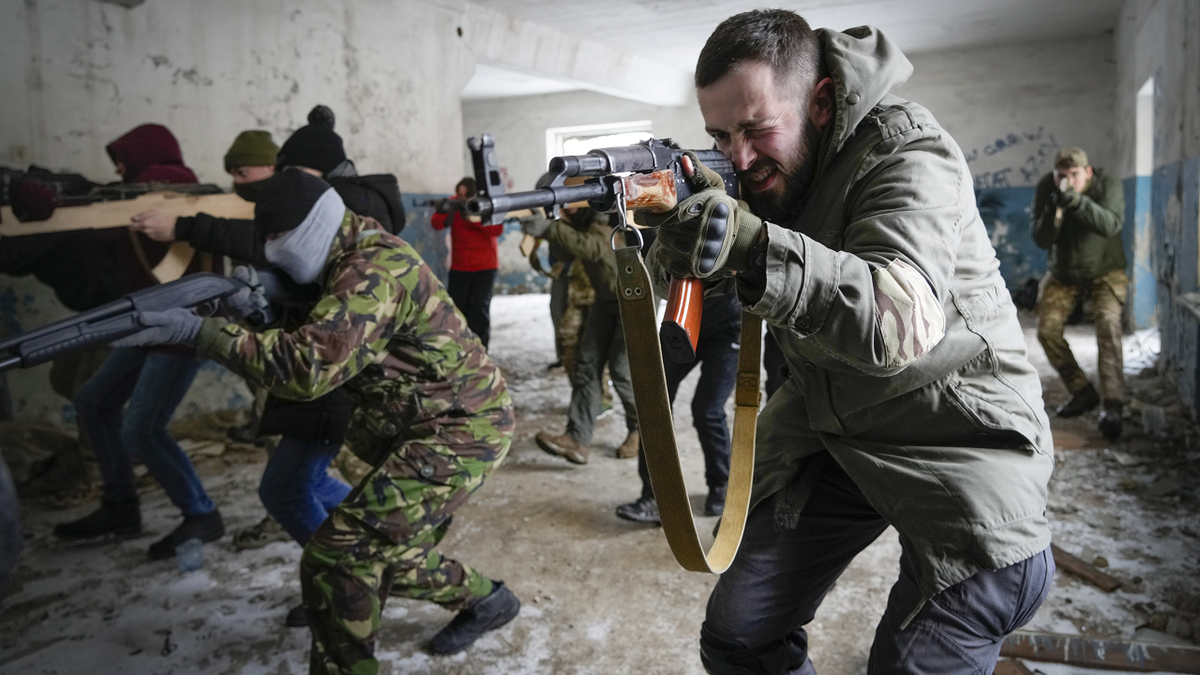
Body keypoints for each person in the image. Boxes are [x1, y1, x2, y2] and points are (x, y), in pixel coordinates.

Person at [639, 11, 1055, 673]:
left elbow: (899, 322)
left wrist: (749, 244)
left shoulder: (907, 150)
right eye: (720, 135)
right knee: (739, 634)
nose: (740, 157)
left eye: (755, 128)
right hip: (839, 434)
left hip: (961, 442)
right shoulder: (771, 173)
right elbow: (713, 279)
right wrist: (673, 241)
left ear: (821, 102)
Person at [114, 169, 519, 670]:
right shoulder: (344, 253)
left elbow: (307, 370)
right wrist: (261, 314)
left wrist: (208, 336)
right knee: (377, 552)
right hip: (422, 424)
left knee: (339, 557)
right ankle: (488, 601)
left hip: (460, 430)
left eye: (276, 239)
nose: (269, 249)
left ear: (311, 228)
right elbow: (324, 325)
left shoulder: (373, 269)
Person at [132, 128, 356, 624]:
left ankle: (353, 580)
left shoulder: (356, 233)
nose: (239, 184)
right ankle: (362, 560)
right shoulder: (311, 215)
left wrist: (206, 332)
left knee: (290, 488)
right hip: (320, 382)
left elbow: (308, 360)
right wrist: (256, 308)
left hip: (335, 385)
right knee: (299, 485)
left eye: (246, 172)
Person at [53, 124, 226, 560]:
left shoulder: (172, 194)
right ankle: (120, 505)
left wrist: (57, 205)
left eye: (122, 160)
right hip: (147, 325)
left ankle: (200, 513)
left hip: (181, 331)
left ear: (144, 157)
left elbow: (100, 229)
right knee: (94, 402)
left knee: (142, 429)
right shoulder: (141, 194)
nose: (117, 169)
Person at [615, 277, 741, 524]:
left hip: (729, 329)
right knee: (655, 403)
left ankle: (721, 485)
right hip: (682, 321)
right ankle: (655, 497)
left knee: (707, 411)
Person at [523, 207, 640, 463]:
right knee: (586, 365)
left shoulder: (604, 217)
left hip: (632, 303)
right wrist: (542, 228)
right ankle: (577, 438)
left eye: (571, 203)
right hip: (606, 301)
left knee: (622, 372)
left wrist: (549, 228)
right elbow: (569, 250)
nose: (567, 208)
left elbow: (592, 248)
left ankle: (641, 431)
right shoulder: (578, 224)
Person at [1032, 147, 1127, 439]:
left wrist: (1076, 202)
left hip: (1104, 271)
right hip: (1063, 272)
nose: (1067, 180)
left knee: (1108, 326)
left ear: (1088, 172)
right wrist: (1053, 210)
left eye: (1075, 175)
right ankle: (1082, 391)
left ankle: (1112, 404)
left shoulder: (1106, 183)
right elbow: (1041, 239)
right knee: (1046, 331)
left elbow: (1110, 224)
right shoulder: (1048, 187)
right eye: (1062, 175)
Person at [431, 177, 503, 347]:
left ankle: (481, 350)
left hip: (484, 268)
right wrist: (446, 210)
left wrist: (472, 214)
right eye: (459, 194)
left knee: (479, 310)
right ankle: (460, 348)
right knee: (457, 311)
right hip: (460, 267)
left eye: (466, 195)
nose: (461, 197)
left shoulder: (485, 205)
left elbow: (496, 229)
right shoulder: (455, 203)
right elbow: (436, 224)